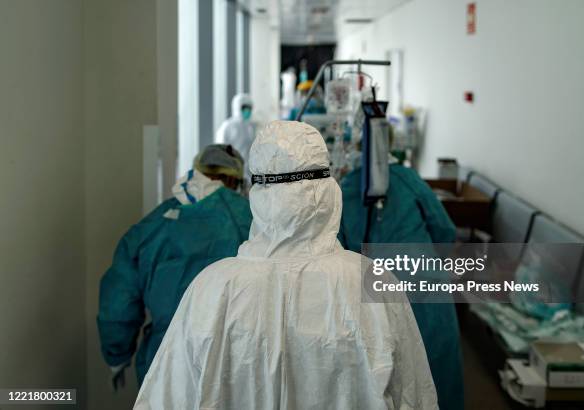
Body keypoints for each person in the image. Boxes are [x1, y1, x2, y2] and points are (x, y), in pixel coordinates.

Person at [134, 121, 438, 409]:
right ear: (329, 192)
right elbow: (415, 397)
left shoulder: (212, 288)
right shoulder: (371, 281)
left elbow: (165, 398)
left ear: (258, 194)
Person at [97, 144, 252, 388]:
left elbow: (118, 299)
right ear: (236, 181)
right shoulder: (249, 218)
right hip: (237, 364)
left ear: (197, 171)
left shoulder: (156, 223)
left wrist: (118, 355)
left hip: (167, 364)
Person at [338, 163, 464, 410]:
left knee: (388, 378)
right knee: (438, 371)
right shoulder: (407, 178)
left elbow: (340, 254)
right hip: (426, 286)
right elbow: (444, 230)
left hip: (376, 293)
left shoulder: (342, 191)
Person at [215, 93, 256, 178]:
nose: (247, 111)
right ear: (237, 107)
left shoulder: (249, 127)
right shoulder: (227, 126)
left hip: (247, 171)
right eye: (244, 108)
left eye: (249, 108)